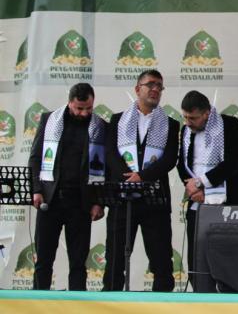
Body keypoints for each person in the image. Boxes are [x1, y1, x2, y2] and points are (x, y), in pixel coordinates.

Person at [102, 69, 179, 292]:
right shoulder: (118, 120)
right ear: (138, 89)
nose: (155, 89)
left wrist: (142, 176)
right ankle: (110, 300)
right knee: (115, 256)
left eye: (159, 86)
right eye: (150, 85)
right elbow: (110, 154)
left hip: (155, 199)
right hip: (123, 197)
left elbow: (169, 158)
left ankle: (162, 301)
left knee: (161, 257)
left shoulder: (171, 124)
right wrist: (129, 177)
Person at [28, 82, 106, 290]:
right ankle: (38, 302)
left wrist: (99, 202)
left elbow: (104, 169)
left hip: (81, 203)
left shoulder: (100, 126)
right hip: (50, 200)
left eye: (89, 108)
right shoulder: (49, 120)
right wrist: (36, 190)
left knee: (78, 263)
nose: (84, 113)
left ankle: (77, 303)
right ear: (70, 102)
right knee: (43, 260)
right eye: (79, 108)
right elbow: (35, 158)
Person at [177, 90, 238, 273]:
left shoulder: (230, 125)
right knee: (197, 260)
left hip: (230, 202)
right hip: (198, 203)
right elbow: (182, 164)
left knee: (235, 259)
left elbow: (232, 164)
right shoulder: (186, 130)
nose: (188, 122)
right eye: (185, 117)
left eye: (193, 118)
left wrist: (201, 185)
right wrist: (194, 190)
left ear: (206, 113)